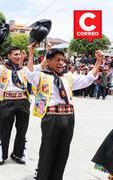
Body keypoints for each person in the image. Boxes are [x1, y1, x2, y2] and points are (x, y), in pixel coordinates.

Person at [25, 44, 103, 180]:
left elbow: (88, 79)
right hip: (51, 118)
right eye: (57, 59)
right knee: (47, 151)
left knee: (63, 152)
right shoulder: (41, 76)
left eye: (63, 60)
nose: (61, 62)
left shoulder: (68, 77)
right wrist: (31, 54)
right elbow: (30, 73)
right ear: (48, 61)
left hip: (68, 118)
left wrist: (98, 62)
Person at [0, 41, 47, 165]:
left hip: (23, 101)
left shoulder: (25, 70)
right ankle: (2, 155)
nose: (18, 56)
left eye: (19, 54)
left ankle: (18, 154)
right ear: (9, 56)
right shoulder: (3, 68)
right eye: (15, 54)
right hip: (7, 101)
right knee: (5, 129)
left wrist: (42, 51)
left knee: (22, 130)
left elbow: (42, 66)